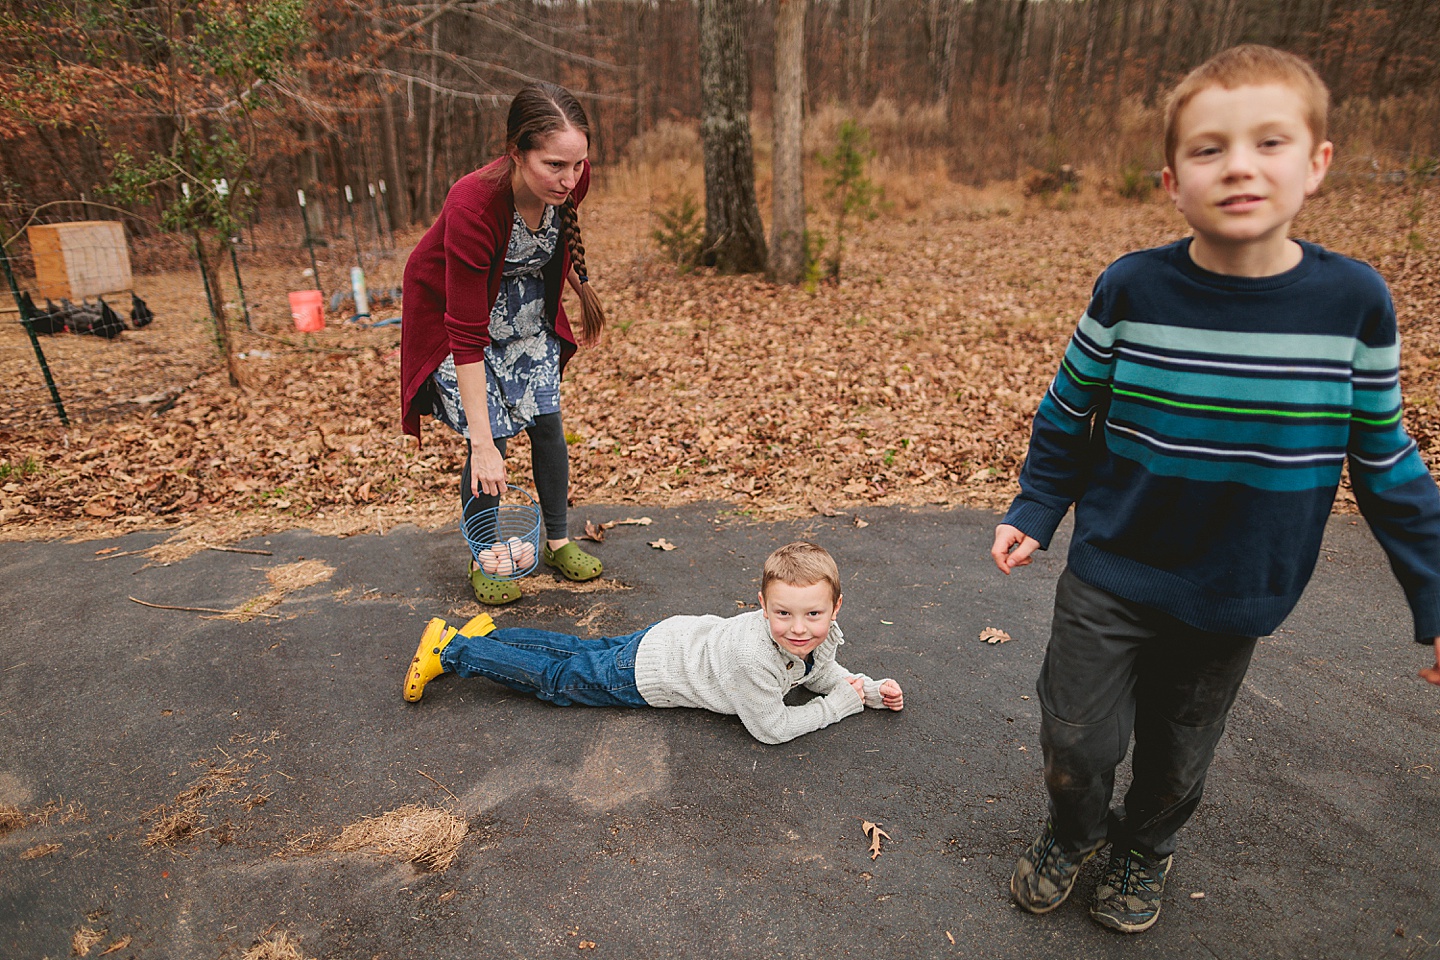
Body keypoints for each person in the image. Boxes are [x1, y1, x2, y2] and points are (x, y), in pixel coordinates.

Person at [989, 44, 1440, 935]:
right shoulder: (1133, 288)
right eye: (1209, 148)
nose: (1238, 165)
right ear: (1172, 180)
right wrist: (1037, 505)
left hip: (1235, 590)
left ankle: (1145, 847)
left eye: (1269, 141)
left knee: (1178, 751)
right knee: (1075, 736)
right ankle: (1073, 831)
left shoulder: (1353, 304)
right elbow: (1068, 408)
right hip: (1113, 565)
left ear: (1316, 163)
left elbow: (1387, 461)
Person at [401, 81, 607, 606]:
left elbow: (552, 248)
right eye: (554, 165)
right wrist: (483, 443)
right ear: (516, 152)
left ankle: (556, 541)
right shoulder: (473, 203)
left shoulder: (569, 184)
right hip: (457, 322)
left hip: (523, 314)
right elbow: (466, 332)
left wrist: (578, 288)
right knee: (489, 437)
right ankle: (485, 554)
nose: (570, 179)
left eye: (578, 164)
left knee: (547, 422)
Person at [402, 541, 905, 744]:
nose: (799, 629)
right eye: (783, 614)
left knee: (579, 651)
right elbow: (772, 728)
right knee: (559, 680)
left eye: (813, 614)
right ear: (761, 605)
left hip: (673, 638)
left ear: (835, 608)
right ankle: (454, 650)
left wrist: (865, 690)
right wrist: (836, 708)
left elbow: (818, 671)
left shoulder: (815, 637)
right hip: (648, 674)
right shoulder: (755, 656)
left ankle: (489, 636)